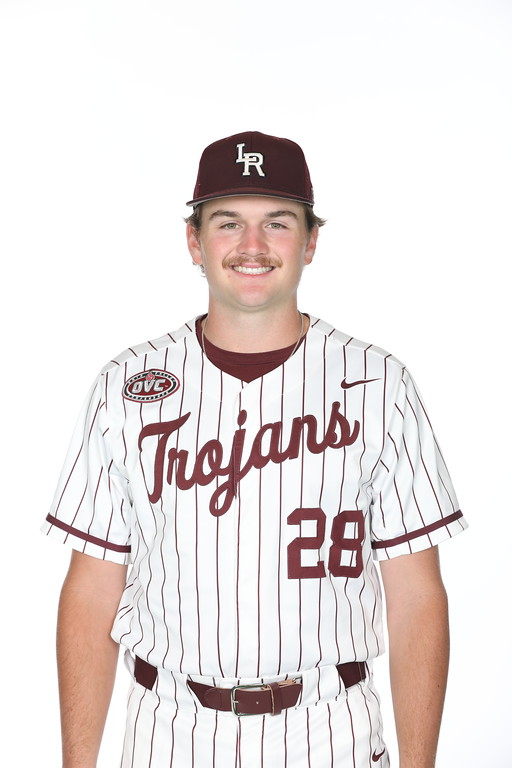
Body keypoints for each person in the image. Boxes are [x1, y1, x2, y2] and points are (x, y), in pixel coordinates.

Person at [43, 131, 467, 768]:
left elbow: (416, 596)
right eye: (227, 223)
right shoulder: (125, 385)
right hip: (169, 729)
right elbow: (92, 590)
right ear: (194, 242)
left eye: (277, 222)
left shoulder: (380, 384)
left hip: (331, 729)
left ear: (311, 241)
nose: (252, 245)